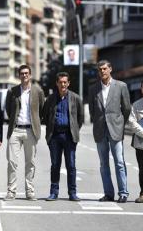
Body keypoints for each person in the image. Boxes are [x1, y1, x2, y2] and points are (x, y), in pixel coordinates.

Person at [88, 60, 131, 203]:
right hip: (100, 130)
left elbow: (126, 108)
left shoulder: (121, 86)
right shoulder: (93, 89)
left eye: (105, 69)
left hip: (115, 129)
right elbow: (92, 111)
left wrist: (120, 124)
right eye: (100, 69)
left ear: (110, 69)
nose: (102, 71)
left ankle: (123, 193)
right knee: (103, 164)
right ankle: (108, 193)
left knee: (119, 162)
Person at [4, 65, 45, 201]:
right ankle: (11, 191)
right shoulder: (12, 91)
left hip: (30, 130)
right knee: (12, 162)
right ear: (19, 75)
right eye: (22, 73)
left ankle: (30, 191)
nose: (24, 75)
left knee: (30, 163)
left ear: (30, 75)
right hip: (15, 130)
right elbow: (9, 110)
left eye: (26, 73)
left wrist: (35, 125)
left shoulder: (38, 91)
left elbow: (41, 110)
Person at [42, 72, 84, 201]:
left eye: (65, 82)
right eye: (60, 82)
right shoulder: (50, 99)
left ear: (68, 83)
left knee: (71, 165)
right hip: (54, 136)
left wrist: (74, 130)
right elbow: (45, 115)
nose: (63, 84)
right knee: (55, 165)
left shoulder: (76, 98)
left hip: (69, 136)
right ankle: (54, 192)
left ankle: (72, 193)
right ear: (57, 83)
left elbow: (80, 118)